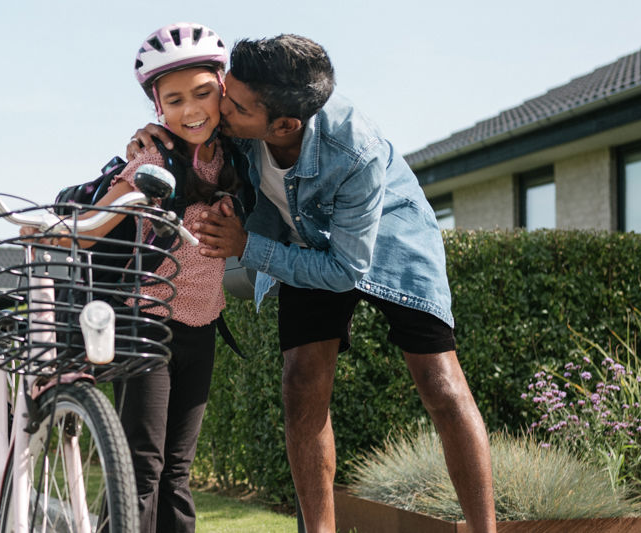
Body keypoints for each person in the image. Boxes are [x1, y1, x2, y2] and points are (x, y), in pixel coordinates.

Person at [129, 34, 497, 532]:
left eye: (234, 105)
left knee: (441, 384)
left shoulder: (356, 150)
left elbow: (345, 269)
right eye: (225, 91)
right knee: (301, 381)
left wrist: (247, 246)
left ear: (284, 125)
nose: (221, 107)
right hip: (299, 239)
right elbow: (187, 123)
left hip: (391, 238)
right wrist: (154, 138)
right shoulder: (240, 114)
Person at [70, 22, 248, 533]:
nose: (191, 110)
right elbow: (98, 222)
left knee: (177, 473)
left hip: (202, 327)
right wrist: (63, 233)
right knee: (141, 469)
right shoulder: (154, 158)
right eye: (174, 100)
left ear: (222, 89)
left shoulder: (237, 156)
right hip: (144, 323)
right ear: (158, 107)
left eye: (202, 93)